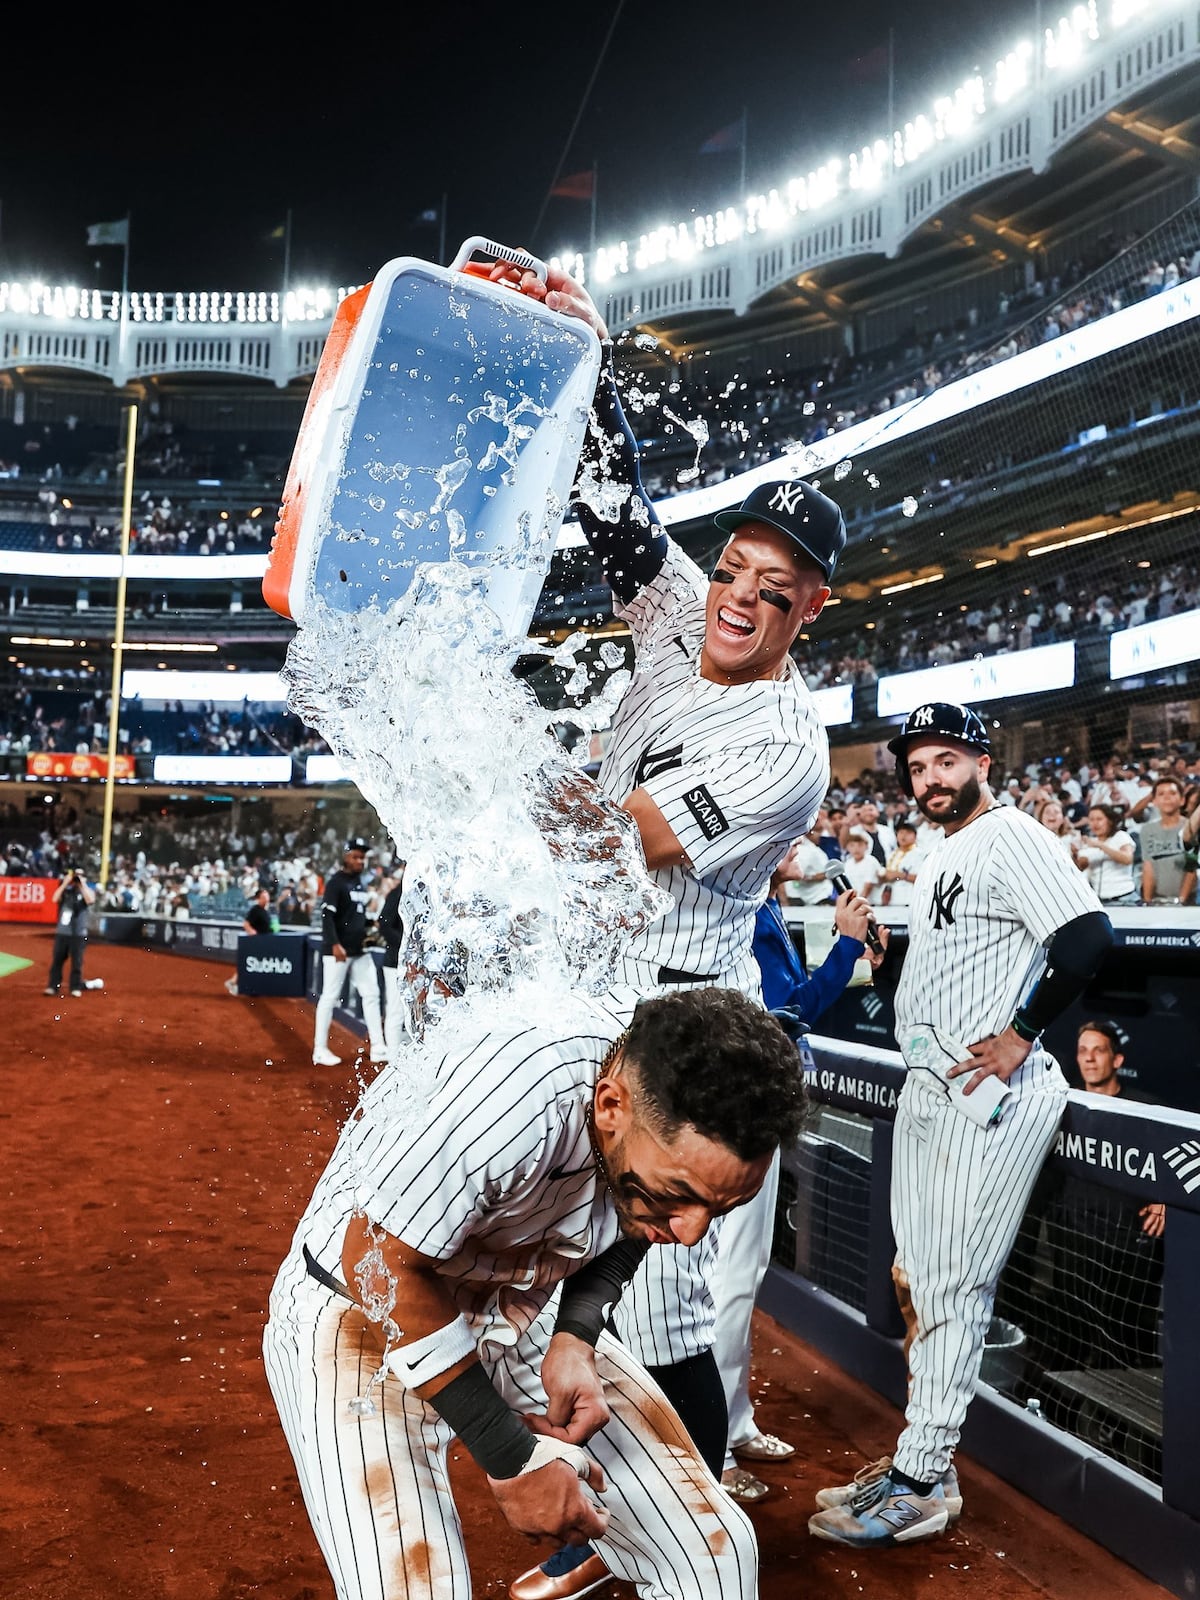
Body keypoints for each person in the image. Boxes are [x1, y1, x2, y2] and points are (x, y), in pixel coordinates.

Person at [497, 258, 843, 1599]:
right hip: (602, 988)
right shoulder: (681, 615)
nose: (742, 594)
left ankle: (668, 1548)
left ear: (815, 608)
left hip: (687, 1022)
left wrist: (486, 758)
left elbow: (619, 836)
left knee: (670, 1302)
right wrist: (578, 358)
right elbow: (623, 519)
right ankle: (603, 1528)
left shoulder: (781, 742)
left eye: (780, 585)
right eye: (740, 567)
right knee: (562, 1268)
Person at [263, 986, 808, 1600]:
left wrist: (576, 1335)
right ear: (610, 1105)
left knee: (716, 1555)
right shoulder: (516, 1093)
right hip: (360, 1316)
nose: (690, 1234)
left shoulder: (661, 1112)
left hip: (515, 1294)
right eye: (678, 1196)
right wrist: (511, 1456)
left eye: (720, 1207)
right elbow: (377, 1261)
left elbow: (635, 1218)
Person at [808, 701, 1113, 1548]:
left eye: (945, 761)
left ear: (981, 760)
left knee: (949, 1287)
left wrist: (1022, 1035)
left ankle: (919, 1478)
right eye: (916, 767)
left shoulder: (1011, 833)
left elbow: (1089, 937)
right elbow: (950, 969)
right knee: (918, 1278)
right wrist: (884, 954)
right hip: (933, 1089)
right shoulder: (942, 851)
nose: (929, 778)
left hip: (991, 1097)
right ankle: (928, 1465)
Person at [719, 868, 887, 1502]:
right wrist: (845, 946)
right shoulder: (732, 902)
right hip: (733, 1108)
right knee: (723, 1283)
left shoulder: (762, 900)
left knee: (743, 1274)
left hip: (756, 1104)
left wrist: (858, 958)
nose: (796, 835)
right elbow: (783, 1012)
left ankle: (732, 1424)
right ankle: (708, 1444)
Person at [312, 837, 388, 1068]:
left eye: (362, 857)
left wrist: (371, 924)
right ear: (346, 857)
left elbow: (354, 916)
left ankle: (378, 1046)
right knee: (329, 997)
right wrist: (334, 944)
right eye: (355, 856)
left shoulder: (359, 883)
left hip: (358, 950)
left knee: (372, 994)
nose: (360, 861)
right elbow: (328, 916)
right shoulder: (336, 883)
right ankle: (320, 1049)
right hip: (338, 950)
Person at [1139, 776, 1196, 904]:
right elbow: (1148, 866)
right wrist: (1147, 901)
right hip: (1158, 899)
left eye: (1172, 793)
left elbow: (1191, 867)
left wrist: (1181, 900)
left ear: (1182, 800)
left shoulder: (1191, 828)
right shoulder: (1147, 830)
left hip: (1187, 900)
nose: (1166, 797)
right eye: (1161, 794)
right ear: (1154, 801)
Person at [45, 862, 96, 997]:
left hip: (78, 934)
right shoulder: (66, 892)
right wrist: (65, 883)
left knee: (77, 962)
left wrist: (82, 884)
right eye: (75, 875)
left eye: (80, 875)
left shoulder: (87, 891)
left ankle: (75, 987)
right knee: (57, 961)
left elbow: (90, 900)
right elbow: (54, 898)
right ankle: (52, 986)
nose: (77, 878)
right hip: (62, 932)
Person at [1073, 804, 1138, 905]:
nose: (1095, 823)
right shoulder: (1089, 843)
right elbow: (1080, 867)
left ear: (1110, 821)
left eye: (1099, 819)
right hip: (1099, 900)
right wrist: (1074, 855)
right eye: (1091, 819)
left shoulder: (1121, 836)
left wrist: (1101, 846)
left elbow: (1127, 859)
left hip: (1124, 897)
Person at [376, 860, 406, 1060]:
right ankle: (393, 1061)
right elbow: (384, 924)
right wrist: (405, 947)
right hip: (395, 962)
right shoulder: (397, 894)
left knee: (408, 1013)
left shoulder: (424, 897)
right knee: (395, 1011)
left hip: (413, 965)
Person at [225, 886, 276, 995]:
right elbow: (246, 924)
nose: (266, 898)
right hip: (256, 942)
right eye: (263, 897)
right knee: (249, 964)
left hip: (265, 942)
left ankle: (236, 982)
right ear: (258, 898)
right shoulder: (255, 910)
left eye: (267, 896)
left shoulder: (265, 911)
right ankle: (233, 982)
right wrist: (253, 933)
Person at [879, 819, 923, 908]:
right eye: (901, 832)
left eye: (908, 833)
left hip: (910, 899)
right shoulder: (892, 854)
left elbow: (922, 878)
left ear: (915, 836)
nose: (903, 836)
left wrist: (898, 875)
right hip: (892, 899)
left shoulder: (920, 854)